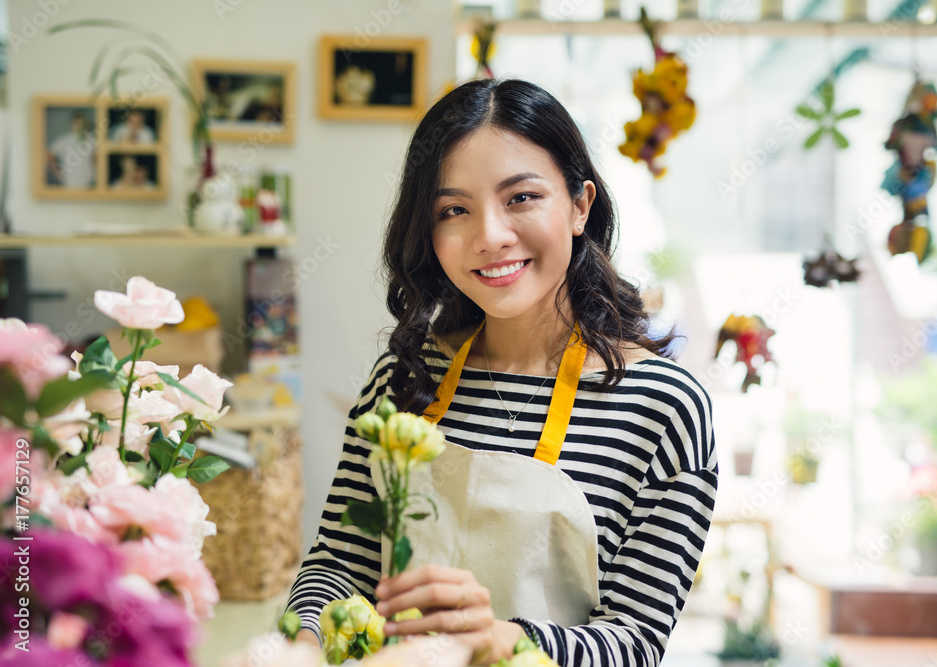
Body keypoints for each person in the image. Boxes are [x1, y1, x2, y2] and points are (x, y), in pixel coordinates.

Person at [285, 78, 717, 667]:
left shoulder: (661, 406)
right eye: (454, 209)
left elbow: (635, 642)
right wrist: (301, 645)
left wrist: (500, 641)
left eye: (520, 198)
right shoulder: (403, 380)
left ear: (580, 205)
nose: (489, 236)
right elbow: (339, 565)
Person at [46, 111, 96, 188]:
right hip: (71, 184)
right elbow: (49, 156)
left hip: (90, 185)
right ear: (73, 123)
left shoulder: (92, 140)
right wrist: (58, 174)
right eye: (77, 123)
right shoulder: (65, 140)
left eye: (82, 123)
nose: (80, 126)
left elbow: (98, 158)